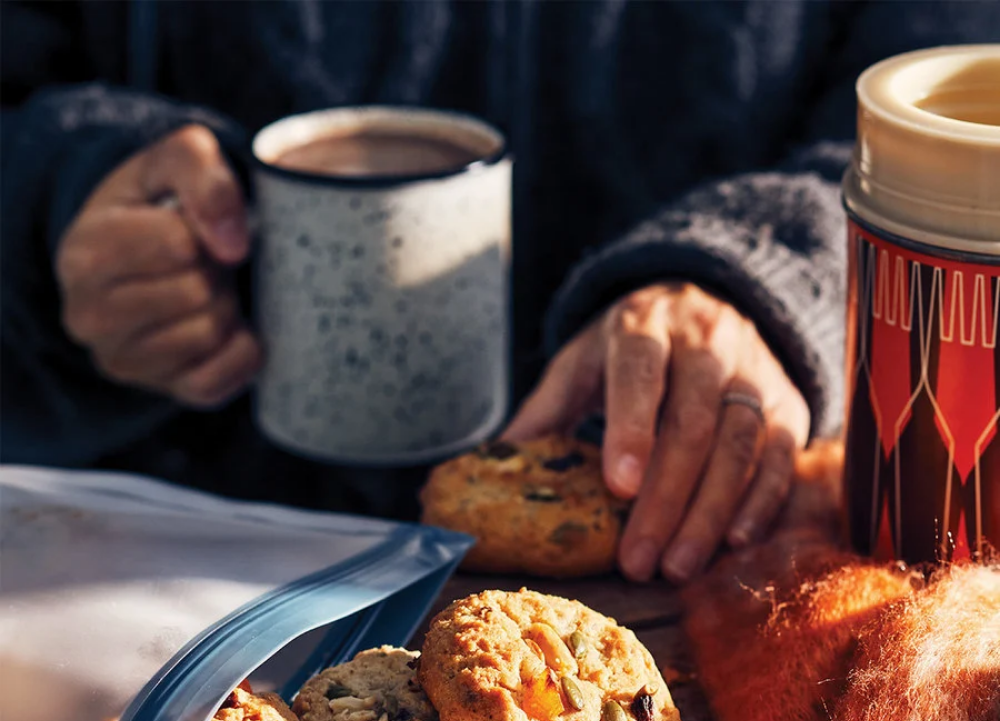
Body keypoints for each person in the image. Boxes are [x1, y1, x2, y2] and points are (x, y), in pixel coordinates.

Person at [3, 0, 997, 582]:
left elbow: (957, 93)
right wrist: (57, 201)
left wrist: (763, 270)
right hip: (159, 577)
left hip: (696, 568)